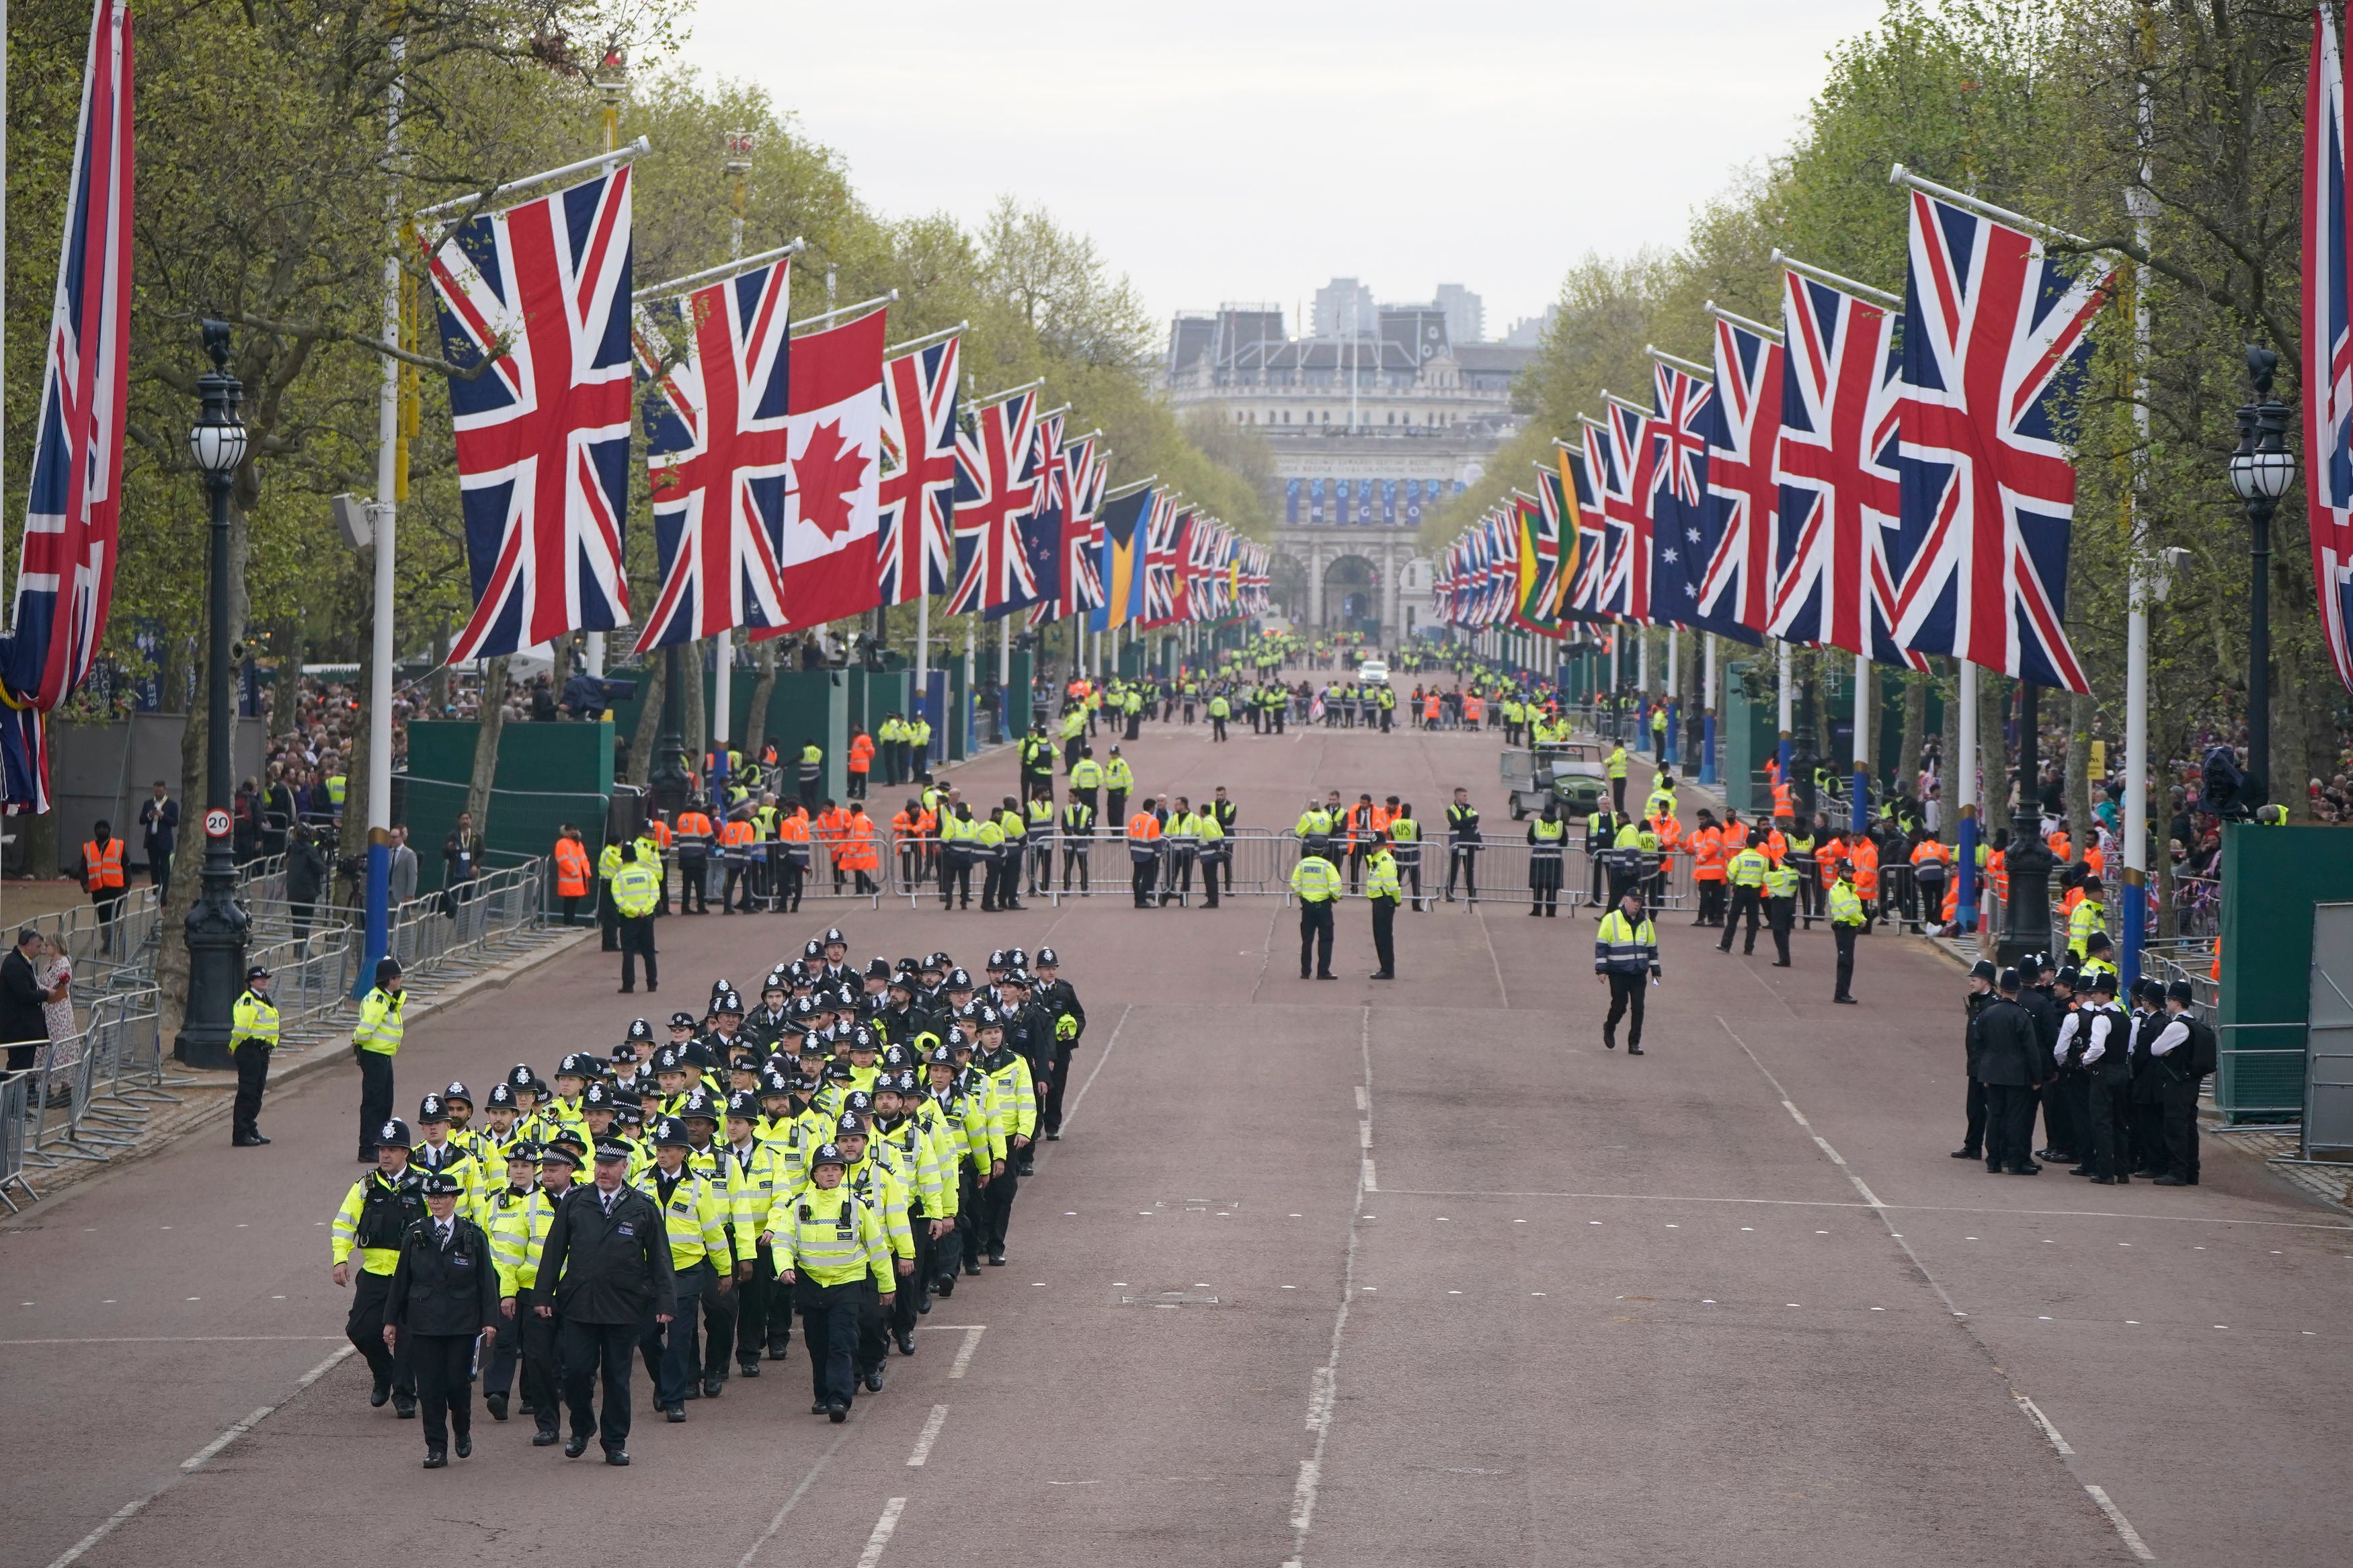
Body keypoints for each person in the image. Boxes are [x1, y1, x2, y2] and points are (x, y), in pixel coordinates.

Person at [535, 1139, 678, 1464]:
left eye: (611, 1166)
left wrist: (666, 1302)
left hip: (624, 1306)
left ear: (624, 1168)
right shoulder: (576, 1202)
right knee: (575, 1373)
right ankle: (582, 1427)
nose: (603, 1171)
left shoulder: (642, 1206)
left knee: (617, 1377)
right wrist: (544, 1294)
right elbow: (554, 1250)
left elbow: (659, 1258)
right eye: (600, 1165)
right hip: (579, 1304)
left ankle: (614, 1441)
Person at [762, 1141, 893, 1422]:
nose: (831, 1174)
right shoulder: (798, 1206)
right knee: (817, 1343)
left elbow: (877, 1248)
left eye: (836, 1169)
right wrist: (784, 1268)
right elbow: (783, 1242)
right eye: (825, 1169)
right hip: (811, 1285)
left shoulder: (857, 1206)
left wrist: (887, 1286)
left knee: (842, 1343)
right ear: (815, 1175)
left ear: (842, 1173)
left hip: (848, 1284)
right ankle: (822, 1395)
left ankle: (839, 1400)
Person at [385, 1170, 502, 1467]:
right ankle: (436, 1447)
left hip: (462, 1323)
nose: (435, 1202)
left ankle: (462, 1430)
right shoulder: (416, 1234)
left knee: (457, 1385)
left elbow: (487, 1281)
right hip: (424, 1324)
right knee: (429, 1387)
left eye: (442, 1197)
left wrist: (490, 1321)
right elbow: (401, 1280)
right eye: (431, 1197)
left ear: (454, 1199)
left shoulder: (473, 1235)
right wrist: (391, 1320)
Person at [331, 1120, 425, 1417]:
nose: (385, 1155)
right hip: (374, 1273)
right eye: (382, 1149)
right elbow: (344, 1223)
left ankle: (405, 1395)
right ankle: (385, 1374)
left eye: (392, 1150)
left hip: (411, 1274)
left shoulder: (424, 1184)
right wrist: (340, 1258)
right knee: (360, 1329)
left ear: (406, 1153)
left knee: (408, 1337)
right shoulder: (366, 1186)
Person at [1975, 968, 2044, 1174]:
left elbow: (1979, 1045)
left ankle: (1993, 1160)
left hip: (1992, 1073)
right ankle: (2014, 1162)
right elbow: (2031, 1049)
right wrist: (2037, 1076)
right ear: (2017, 990)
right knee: (2015, 1118)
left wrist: (1983, 1072)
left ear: (2001, 988)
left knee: (1995, 1116)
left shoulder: (1988, 1013)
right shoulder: (2021, 1015)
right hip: (2017, 1075)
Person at [2149, 979, 2214, 1186]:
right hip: (2191, 1082)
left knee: (2175, 1126)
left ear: (2176, 1002)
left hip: (2177, 1083)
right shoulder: (2194, 1023)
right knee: (2189, 1127)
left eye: (2169, 999)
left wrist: (2166, 1052)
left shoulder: (2177, 1026)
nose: (2166, 1003)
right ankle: (2191, 1170)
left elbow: (2155, 1049)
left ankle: (2177, 1171)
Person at [354, 958, 406, 1161]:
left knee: (385, 1102)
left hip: (383, 1056)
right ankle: (368, 1148)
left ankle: (379, 1144)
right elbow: (367, 1027)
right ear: (390, 979)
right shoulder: (378, 1000)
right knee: (374, 1103)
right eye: (398, 977)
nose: (401, 980)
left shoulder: (387, 999)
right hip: (375, 1057)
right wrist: (358, 1039)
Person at [1595, 889, 1659, 1055]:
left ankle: (1634, 1043)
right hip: (1618, 972)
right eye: (1634, 900)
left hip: (1638, 973)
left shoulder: (1646, 922)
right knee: (1620, 1006)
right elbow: (1602, 946)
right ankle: (1609, 1027)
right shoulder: (1611, 919)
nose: (1637, 904)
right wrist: (1601, 970)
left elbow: (1652, 947)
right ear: (1625, 900)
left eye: (1640, 901)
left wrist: (1656, 970)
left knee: (1638, 1008)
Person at [1, 926, 63, 1078]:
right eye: (37, 946)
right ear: (28, 945)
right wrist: (46, 994)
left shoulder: (21, 962)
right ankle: (12, 1101)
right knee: (18, 1069)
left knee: (24, 1068)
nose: (40, 950)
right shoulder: (15, 965)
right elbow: (24, 995)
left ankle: (19, 1099)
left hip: (25, 1030)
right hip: (19, 1030)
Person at [231, 964, 280, 1147]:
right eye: (260, 978)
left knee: (257, 1093)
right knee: (247, 1092)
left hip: (262, 1051)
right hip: (249, 1049)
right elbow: (241, 1029)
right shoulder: (248, 1001)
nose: (264, 981)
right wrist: (233, 1045)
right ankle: (240, 1133)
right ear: (251, 981)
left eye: (266, 978)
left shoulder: (265, 999)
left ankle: (250, 1128)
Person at [611, 842, 662, 995]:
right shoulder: (647, 874)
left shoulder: (619, 877)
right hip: (646, 917)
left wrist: (633, 911)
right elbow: (655, 894)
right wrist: (644, 910)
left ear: (623, 859)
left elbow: (618, 899)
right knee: (649, 951)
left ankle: (628, 985)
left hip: (628, 919)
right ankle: (652, 984)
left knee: (628, 951)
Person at [1291, 842, 1343, 980]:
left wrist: (1302, 894)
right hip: (1324, 906)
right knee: (1325, 939)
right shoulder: (1327, 866)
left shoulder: (1303, 864)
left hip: (1307, 906)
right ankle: (1323, 971)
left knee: (1307, 940)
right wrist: (1334, 897)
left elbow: (1295, 883)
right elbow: (1336, 885)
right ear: (1324, 850)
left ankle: (1305, 972)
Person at [1718, 833, 1770, 955]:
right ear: (1758, 845)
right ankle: (1749, 949)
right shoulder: (1763, 860)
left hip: (1741, 891)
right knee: (1752, 921)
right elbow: (1765, 877)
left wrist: (1737, 880)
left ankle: (1726, 945)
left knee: (1733, 919)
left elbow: (1730, 875)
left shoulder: (1739, 858)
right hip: (1755, 892)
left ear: (1746, 844)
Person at [81, 819, 128, 955]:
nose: (101, 830)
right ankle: (108, 940)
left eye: (104, 827)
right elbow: (83, 869)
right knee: (103, 918)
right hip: (98, 890)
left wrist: (127, 886)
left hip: (116, 889)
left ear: (109, 830)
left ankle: (112, 942)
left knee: (114, 916)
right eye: (99, 828)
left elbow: (126, 866)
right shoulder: (88, 848)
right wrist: (85, 884)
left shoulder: (118, 846)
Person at [1827, 865, 1866, 1003]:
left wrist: (1863, 919)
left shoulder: (1850, 889)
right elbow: (1848, 910)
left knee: (1848, 962)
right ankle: (1840, 994)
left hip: (1850, 928)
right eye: (1847, 872)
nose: (1850, 875)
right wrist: (1861, 920)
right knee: (1844, 962)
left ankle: (1844, 992)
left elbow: (1857, 908)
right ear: (1841, 872)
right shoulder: (1840, 889)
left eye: (1851, 872)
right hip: (1844, 928)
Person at [1366, 833, 1400, 979]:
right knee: (1379, 936)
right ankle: (1385, 967)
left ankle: (1387, 970)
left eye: (1376, 846)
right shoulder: (1377, 859)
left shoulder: (1385, 860)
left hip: (1384, 901)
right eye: (1373, 846)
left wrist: (1397, 899)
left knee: (1384, 936)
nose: (1374, 848)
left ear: (1383, 845)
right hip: (1378, 901)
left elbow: (1392, 884)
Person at [138, 780, 180, 899]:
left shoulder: (172, 805)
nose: (158, 793)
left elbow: (175, 822)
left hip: (165, 841)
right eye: (156, 791)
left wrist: (163, 815)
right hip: (152, 839)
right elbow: (141, 820)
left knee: (164, 868)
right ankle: (155, 892)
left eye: (160, 791)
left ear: (165, 790)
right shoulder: (148, 803)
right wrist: (149, 815)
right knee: (154, 867)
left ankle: (165, 892)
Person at [1527, 801, 1566, 917]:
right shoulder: (1560, 824)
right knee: (1552, 886)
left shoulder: (1537, 823)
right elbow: (1564, 841)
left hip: (1538, 858)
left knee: (1538, 886)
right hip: (1555, 859)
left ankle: (1537, 911)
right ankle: (1551, 912)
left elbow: (1530, 840)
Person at [1444, 787, 1480, 904]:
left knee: (1469, 869)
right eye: (1464, 796)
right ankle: (1449, 894)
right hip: (1457, 843)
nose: (1467, 798)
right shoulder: (1451, 810)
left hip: (1469, 842)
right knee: (1454, 869)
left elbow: (1476, 818)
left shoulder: (1469, 807)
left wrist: (1464, 821)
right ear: (1458, 797)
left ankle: (1472, 895)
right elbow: (1455, 823)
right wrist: (1468, 822)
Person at [1761, 853, 1798, 966]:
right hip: (1789, 903)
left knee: (1778, 931)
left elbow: (1766, 877)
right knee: (1785, 931)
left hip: (1780, 904)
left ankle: (1784, 959)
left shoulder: (1781, 875)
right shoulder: (1794, 874)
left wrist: (1770, 867)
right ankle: (1784, 957)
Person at [553, 825, 592, 925]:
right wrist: (575, 871)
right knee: (569, 902)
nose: (573, 831)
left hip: (578, 879)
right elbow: (562, 859)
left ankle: (571, 921)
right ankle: (568, 922)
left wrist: (586, 871)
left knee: (574, 902)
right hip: (570, 878)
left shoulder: (578, 844)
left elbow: (584, 859)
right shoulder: (562, 843)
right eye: (570, 830)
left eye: (574, 829)